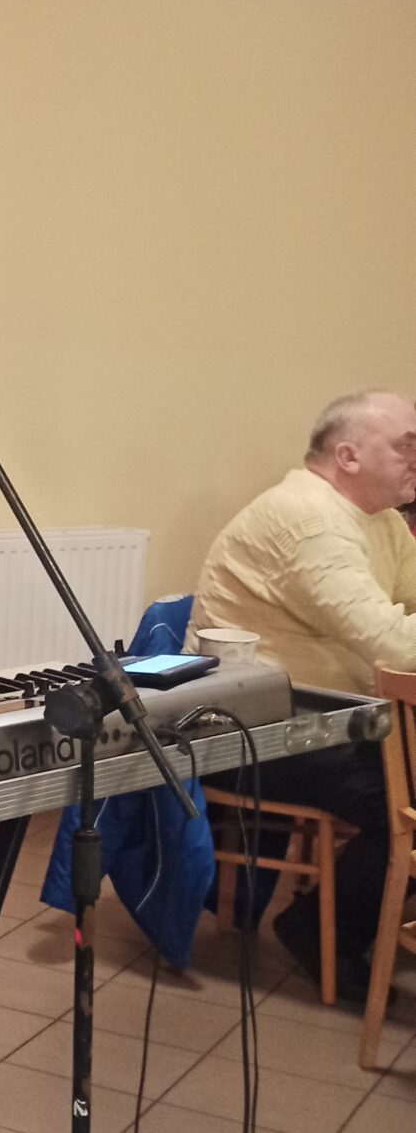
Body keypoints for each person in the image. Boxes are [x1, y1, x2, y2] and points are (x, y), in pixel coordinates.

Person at [193, 389, 416, 1002]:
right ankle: (321, 931)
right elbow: (395, 644)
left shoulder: (379, 520)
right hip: (254, 733)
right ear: (348, 456)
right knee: (406, 806)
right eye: (406, 446)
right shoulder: (306, 518)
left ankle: (352, 917)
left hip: (328, 719)